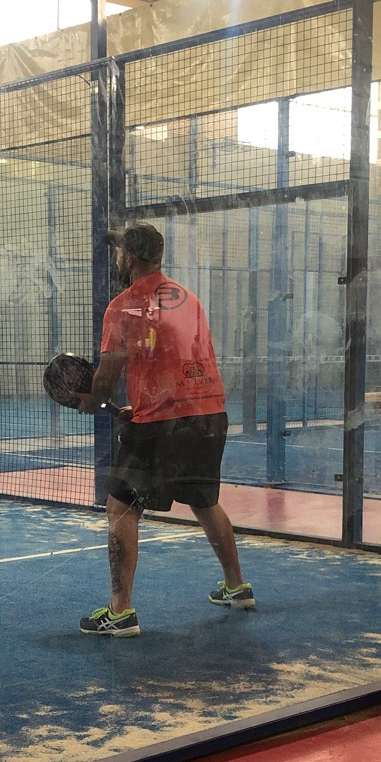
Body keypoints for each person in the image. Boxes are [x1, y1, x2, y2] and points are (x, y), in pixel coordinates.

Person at [76, 222, 253, 638]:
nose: (117, 258)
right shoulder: (190, 299)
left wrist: (92, 400)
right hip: (209, 413)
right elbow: (178, 357)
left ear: (130, 257)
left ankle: (120, 612)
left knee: (121, 508)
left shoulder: (124, 305)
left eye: (119, 252)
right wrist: (137, 408)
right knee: (205, 501)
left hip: (163, 421)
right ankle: (237, 587)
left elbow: (106, 378)